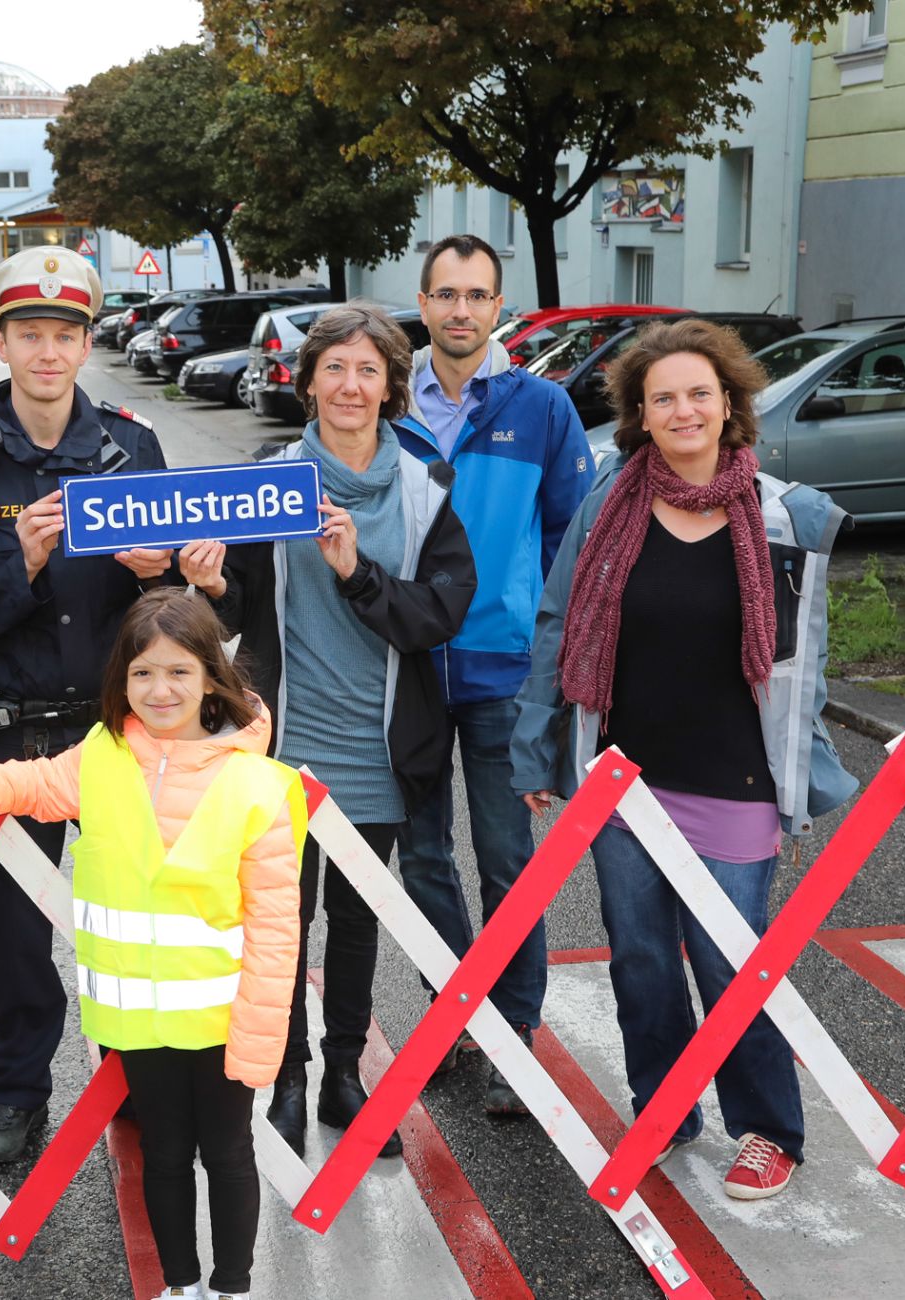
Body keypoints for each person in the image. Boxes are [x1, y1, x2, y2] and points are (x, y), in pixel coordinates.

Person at [511, 317, 858, 1201]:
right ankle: (662, 1106)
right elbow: (559, 626)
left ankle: (768, 1130)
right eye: (662, 396)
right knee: (640, 957)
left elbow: (801, 665)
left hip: (734, 778)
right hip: (624, 777)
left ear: (730, 401)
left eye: (699, 392)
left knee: (731, 963)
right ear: (640, 413)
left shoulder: (785, 516)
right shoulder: (607, 506)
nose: (683, 409)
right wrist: (537, 746)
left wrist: (805, 768)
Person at [0, 588, 302, 1300]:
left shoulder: (255, 783)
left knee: (229, 1153)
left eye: (178, 671)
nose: (159, 689)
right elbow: (32, 784)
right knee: (162, 1153)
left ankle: (233, 1287)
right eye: (142, 673)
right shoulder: (103, 754)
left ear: (211, 678)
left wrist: (262, 1036)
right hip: (136, 1016)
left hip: (219, 1015)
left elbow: (275, 923)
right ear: (121, 680)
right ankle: (179, 1285)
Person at [183, 302, 476, 1157]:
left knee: (354, 922)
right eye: (335, 369)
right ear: (308, 381)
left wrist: (356, 573)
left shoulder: (426, 492)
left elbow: (438, 615)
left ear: (391, 389)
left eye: (369, 371)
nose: (351, 386)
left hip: (379, 744)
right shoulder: (266, 482)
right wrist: (206, 585)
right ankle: (287, 1076)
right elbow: (234, 609)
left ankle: (345, 1074)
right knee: (283, 922)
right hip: (283, 744)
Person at [0, 244, 173, 1162]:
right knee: (18, 933)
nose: (47, 351)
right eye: (30, 332)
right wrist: (20, 561)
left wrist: (171, 568)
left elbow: (175, 604)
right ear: (1, 341)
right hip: (12, 730)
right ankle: (18, 1089)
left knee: (132, 914)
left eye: (64, 333)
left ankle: (138, 1069)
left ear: (84, 343)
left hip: (119, 727)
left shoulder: (131, 445)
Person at [391, 234, 595, 1115]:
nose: (462, 310)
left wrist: (558, 680)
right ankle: (451, 1014)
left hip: (503, 671)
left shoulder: (542, 408)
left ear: (499, 307)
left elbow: (570, 546)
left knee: (509, 860)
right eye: (446, 294)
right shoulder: (381, 401)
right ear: (424, 304)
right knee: (424, 856)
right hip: (403, 669)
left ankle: (513, 1029)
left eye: (478, 295)